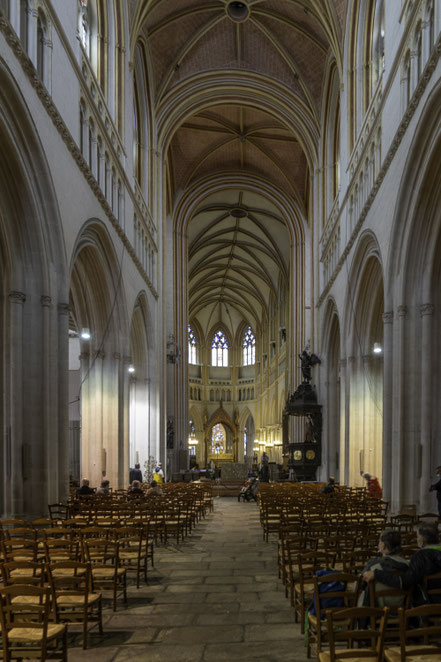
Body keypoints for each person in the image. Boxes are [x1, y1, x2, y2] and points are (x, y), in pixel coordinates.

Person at [363, 523, 441, 605]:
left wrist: (377, 574)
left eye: (417, 537)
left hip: (429, 603)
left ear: (422, 540)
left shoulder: (420, 557)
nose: (417, 539)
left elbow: (406, 582)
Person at [358, 529, 409, 607]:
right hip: (402, 606)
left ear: (383, 545)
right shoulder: (407, 564)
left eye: (379, 542)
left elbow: (360, 585)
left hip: (378, 608)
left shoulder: (374, 565)